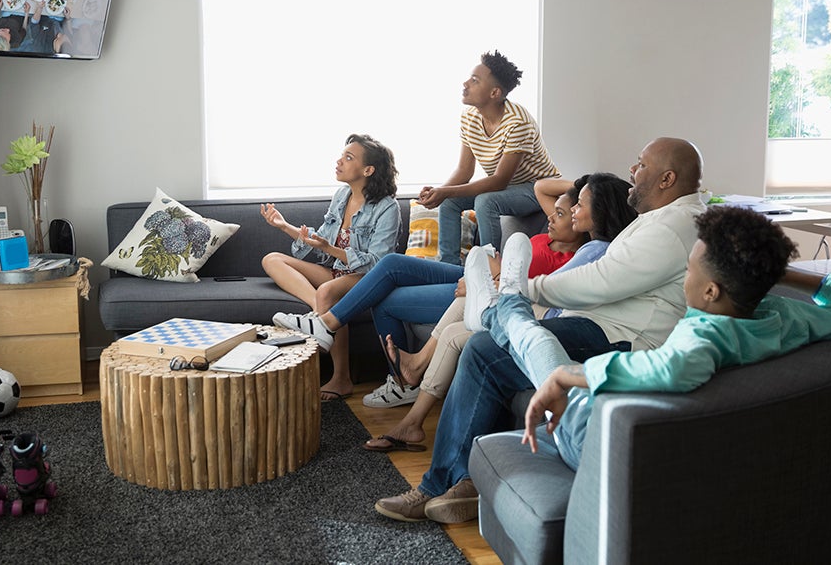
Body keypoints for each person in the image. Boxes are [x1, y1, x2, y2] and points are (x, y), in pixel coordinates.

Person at [373, 136, 706, 523]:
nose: (632, 170)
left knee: (485, 350)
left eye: (641, 164)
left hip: (625, 341)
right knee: (486, 348)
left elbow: (602, 281)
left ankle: (439, 484)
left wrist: (523, 289)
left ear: (667, 178)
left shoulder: (674, 227)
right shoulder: (665, 218)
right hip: (604, 326)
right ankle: (461, 482)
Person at [516, 207, 831, 480]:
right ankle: (504, 305)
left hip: (596, 436)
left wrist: (569, 376)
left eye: (690, 271)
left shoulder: (709, 332)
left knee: (535, 342)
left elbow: (673, 368)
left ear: (711, 291)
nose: (684, 279)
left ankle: (504, 303)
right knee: (534, 340)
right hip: (624, 425)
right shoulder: (789, 317)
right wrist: (783, 274)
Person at [362, 172, 636, 452]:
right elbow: (542, 189)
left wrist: (501, 281)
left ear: (600, 211)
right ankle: (418, 384)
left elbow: (554, 291)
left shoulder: (591, 251)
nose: (560, 215)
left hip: (542, 314)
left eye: (577, 207)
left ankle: (415, 403)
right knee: (449, 300)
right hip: (520, 295)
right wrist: (585, 186)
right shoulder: (579, 244)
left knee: (456, 331)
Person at [274, 182, 590, 409]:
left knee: (384, 299)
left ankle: (399, 379)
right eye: (560, 210)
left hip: (485, 289)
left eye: (565, 214)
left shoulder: (578, 256)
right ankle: (329, 323)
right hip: (474, 270)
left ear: (583, 223)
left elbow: (536, 291)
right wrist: (583, 187)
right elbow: (543, 188)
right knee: (392, 264)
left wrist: (489, 281)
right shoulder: (547, 237)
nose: (553, 216)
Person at [261, 134, 400, 400]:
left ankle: (341, 378)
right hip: (338, 271)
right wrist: (284, 226)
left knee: (328, 292)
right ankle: (319, 316)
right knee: (272, 259)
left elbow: (380, 263)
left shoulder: (387, 207)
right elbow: (321, 238)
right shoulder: (342, 195)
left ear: (368, 170)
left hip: (368, 277)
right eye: (342, 155)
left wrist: (329, 249)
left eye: (349, 158)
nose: (339, 161)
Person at [419, 51, 560, 265]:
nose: (465, 83)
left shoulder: (517, 123)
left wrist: (444, 191)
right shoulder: (470, 116)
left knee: (486, 201)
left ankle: (488, 265)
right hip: (509, 188)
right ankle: (447, 267)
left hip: (538, 187)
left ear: (494, 93)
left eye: (475, 81)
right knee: (448, 202)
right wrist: (438, 193)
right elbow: (464, 171)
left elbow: (499, 181)